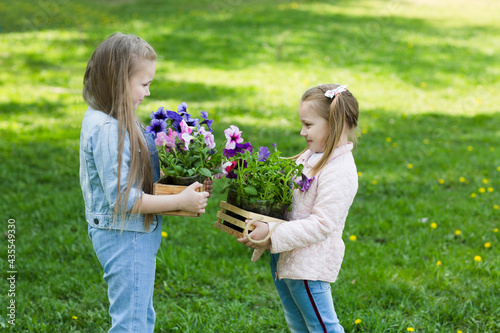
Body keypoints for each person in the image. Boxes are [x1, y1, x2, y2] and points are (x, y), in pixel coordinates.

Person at [79, 33, 212, 332]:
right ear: (118, 81)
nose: (148, 93)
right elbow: (124, 199)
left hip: (132, 231)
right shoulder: (107, 129)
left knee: (140, 314)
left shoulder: (116, 114)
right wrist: (180, 201)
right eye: (144, 84)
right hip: (124, 234)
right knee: (132, 323)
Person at [238, 84, 359, 332]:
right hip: (287, 257)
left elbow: (323, 224)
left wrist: (271, 233)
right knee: (297, 323)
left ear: (334, 123)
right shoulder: (312, 155)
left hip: (308, 267)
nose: (302, 131)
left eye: (308, 124)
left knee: (323, 327)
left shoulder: (340, 171)